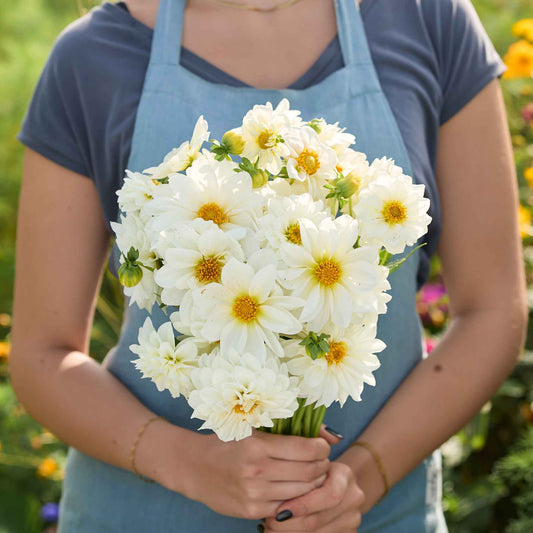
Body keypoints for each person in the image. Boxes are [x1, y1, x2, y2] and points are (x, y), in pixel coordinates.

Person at [9, 0, 527, 531]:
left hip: (379, 516)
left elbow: (491, 311)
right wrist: (189, 464)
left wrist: (361, 479)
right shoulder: (92, 58)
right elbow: (42, 354)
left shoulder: (428, 20)